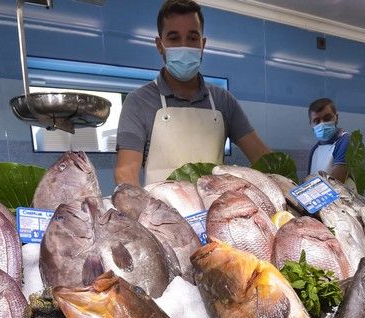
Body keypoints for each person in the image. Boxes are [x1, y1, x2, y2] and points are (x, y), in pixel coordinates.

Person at [114, 0, 270, 186]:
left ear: (202, 44)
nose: (184, 45)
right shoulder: (137, 102)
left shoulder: (223, 100)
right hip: (161, 212)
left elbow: (263, 158)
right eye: (173, 38)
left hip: (215, 209)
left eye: (192, 37)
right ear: (159, 44)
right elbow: (125, 174)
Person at [307, 98, 353, 188]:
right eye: (316, 121)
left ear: (336, 118)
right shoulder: (314, 150)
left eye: (327, 118)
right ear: (311, 124)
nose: (322, 124)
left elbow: (335, 183)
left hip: (343, 200)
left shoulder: (345, 140)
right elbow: (308, 181)